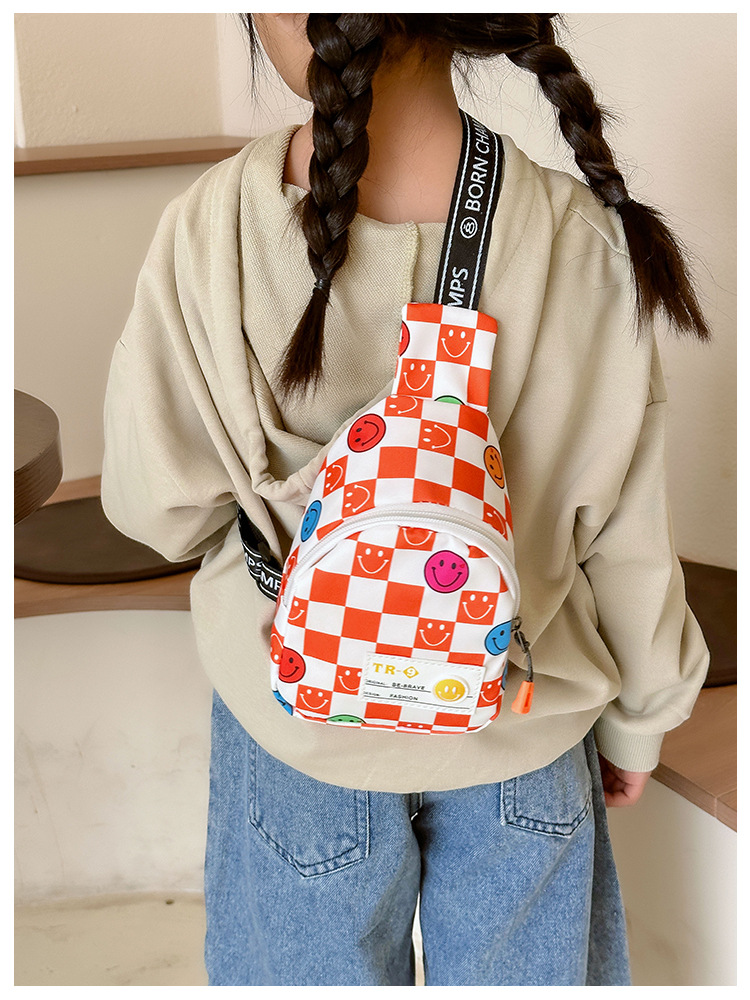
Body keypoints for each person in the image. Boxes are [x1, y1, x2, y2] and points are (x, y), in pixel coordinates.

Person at [101, 13, 711, 987]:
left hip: (300, 732)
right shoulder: (583, 237)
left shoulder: (211, 228)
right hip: (518, 720)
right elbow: (626, 539)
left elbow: (155, 509)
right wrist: (640, 719)